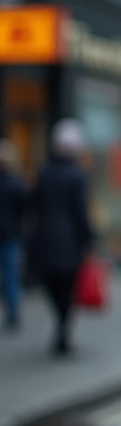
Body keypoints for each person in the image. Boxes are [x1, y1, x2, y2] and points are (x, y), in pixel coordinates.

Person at [27, 120, 94, 356]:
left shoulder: (44, 172)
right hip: (69, 241)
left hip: (44, 238)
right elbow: (81, 211)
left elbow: (32, 204)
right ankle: (62, 330)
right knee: (67, 287)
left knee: (51, 284)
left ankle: (60, 327)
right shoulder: (78, 175)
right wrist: (89, 239)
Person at [0, 140, 28, 332]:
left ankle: (12, 311)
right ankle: (13, 312)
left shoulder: (15, 183)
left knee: (9, 275)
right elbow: (25, 208)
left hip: (10, 235)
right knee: (11, 275)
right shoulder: (16, 183)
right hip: (11, 235)